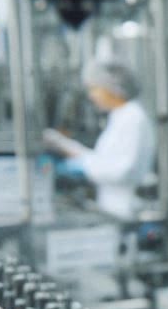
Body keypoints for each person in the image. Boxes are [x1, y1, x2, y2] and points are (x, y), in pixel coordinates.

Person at [42, 58, 155, 221]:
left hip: (124, 207)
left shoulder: (133, 118)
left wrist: (81, 169)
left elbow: (124, 169)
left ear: (112, 88)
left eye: (94, 89)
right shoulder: (121, 115)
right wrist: (61, 144)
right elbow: (103, 160)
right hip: (113, 206)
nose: (91, 96)